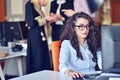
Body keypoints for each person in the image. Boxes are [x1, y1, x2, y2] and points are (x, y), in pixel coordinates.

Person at [59, 12, 102, 79]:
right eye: (81, 26)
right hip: (77, 77)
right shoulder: (66, 44)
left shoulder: (94, 42)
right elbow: (62, 66)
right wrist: (70, 72)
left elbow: (101, 64)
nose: (85, 29)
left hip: (93, 77)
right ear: (74, 28)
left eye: (87, 26)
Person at [25, 0, 53, 74]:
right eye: (45, 1)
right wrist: (45, 19)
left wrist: (48, 20)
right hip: (35, 37)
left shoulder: (39, 7)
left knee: (43, 57)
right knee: (38, 58)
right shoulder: (30, 5)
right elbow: (31, 23)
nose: (46, 3)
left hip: (42, 37)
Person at [49, 0, 74, 71]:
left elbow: (73, 19)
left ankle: (67, 71)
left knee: (66, 54)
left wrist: (61, 18)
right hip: (55, 32)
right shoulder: (53, 3)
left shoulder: (70, 2)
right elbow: (50, 20)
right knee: (56, 55)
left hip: (66, 32)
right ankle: (56, 72)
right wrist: (52, 19)